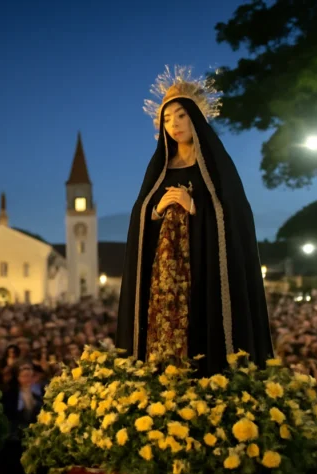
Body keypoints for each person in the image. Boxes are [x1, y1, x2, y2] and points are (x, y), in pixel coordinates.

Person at [116, 66, 272, 375]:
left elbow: (236, 214)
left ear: (196, 117)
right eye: (167, 118)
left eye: (181, 115)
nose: (174, 124)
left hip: (204, 271)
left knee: (202, 327)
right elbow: (141, 218)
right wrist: (157, 209)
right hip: (162, 276)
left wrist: (195, 205)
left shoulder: (216, 166)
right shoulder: (159, 168)